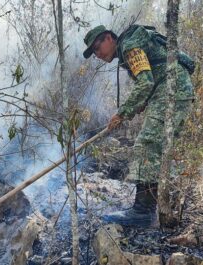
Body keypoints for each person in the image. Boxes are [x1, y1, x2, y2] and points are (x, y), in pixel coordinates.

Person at [83, 24, 194, 227]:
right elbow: (151, 78)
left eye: (97, 48)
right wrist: (138, 105)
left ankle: (142, 212)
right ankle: (159, 207)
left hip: (173, 89)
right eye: (93, 53)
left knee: (146, 144)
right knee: (156, 147)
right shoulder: (128, 48)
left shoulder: (129, 46)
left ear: (109, 38)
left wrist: (122, 113)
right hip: (172, 89)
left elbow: (145, 83)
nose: (97, 55)